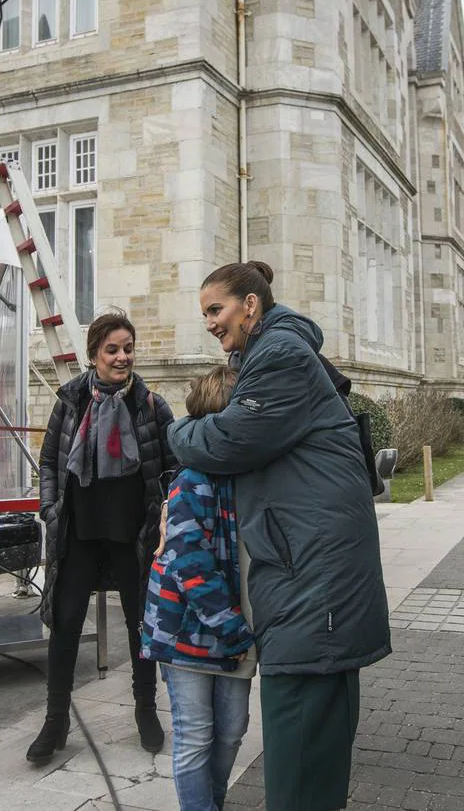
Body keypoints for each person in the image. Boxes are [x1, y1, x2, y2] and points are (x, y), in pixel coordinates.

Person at [167, 261, 391, 811]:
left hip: (313, 578)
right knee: (315, 731)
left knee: (299, 733)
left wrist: (177, 429)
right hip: (311, 572)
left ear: (250, 305)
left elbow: (227, 440)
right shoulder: (275, 351)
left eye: (216, 310)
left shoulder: (281, 354)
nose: (211, 325)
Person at [27, 311, 175, 764]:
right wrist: (51, 510)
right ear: (93, 355)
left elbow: (172, 466)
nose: (122, 357)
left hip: (134, 536)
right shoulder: (71, 400)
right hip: (80, 534)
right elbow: (50, 460)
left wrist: (165, 517)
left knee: (140, 626)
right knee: (66, 623)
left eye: (128, 348)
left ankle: (145, 710)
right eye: (112, 349)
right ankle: (56, 719)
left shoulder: (150, 404)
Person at [141, 366, 257, 811]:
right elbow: (191, 564)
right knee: (195, 734)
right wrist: (232, 629)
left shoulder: (247, 478)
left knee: (232, 731)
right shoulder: (192, 480)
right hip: (188, 630)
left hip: (235, 632)